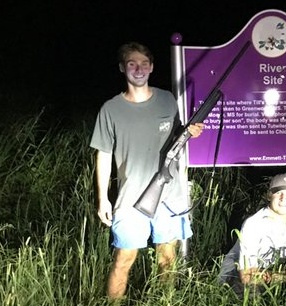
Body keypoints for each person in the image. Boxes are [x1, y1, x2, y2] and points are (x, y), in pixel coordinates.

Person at [90, 42, 205, 299]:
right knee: (123, 260)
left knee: (168, 258)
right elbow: (104, 155)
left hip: (169, 196)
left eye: (144, 63)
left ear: (152, 67)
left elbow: (177, 137)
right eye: (132, 63)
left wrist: (190, 132)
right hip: (130, 199)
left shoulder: (167, 100)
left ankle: (165, 302)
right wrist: (102, 198)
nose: (138, 68)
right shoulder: (110, 109)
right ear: (122, 68)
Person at [218, 173, 286, 296]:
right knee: (252, 291)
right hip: (237, 273)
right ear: (269, 195)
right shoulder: (253, 224)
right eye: (278, 192)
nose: (283, 198)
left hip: (275, 269)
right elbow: (247, 276)